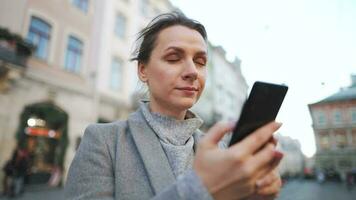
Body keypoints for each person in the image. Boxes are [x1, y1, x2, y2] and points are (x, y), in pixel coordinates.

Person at [65, 12, 284, 200]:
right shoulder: (104, 142)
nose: (192, 71)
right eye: (173, 58)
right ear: (143, 70)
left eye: (200, 61)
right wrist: (200, 188)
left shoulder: (222, 153)